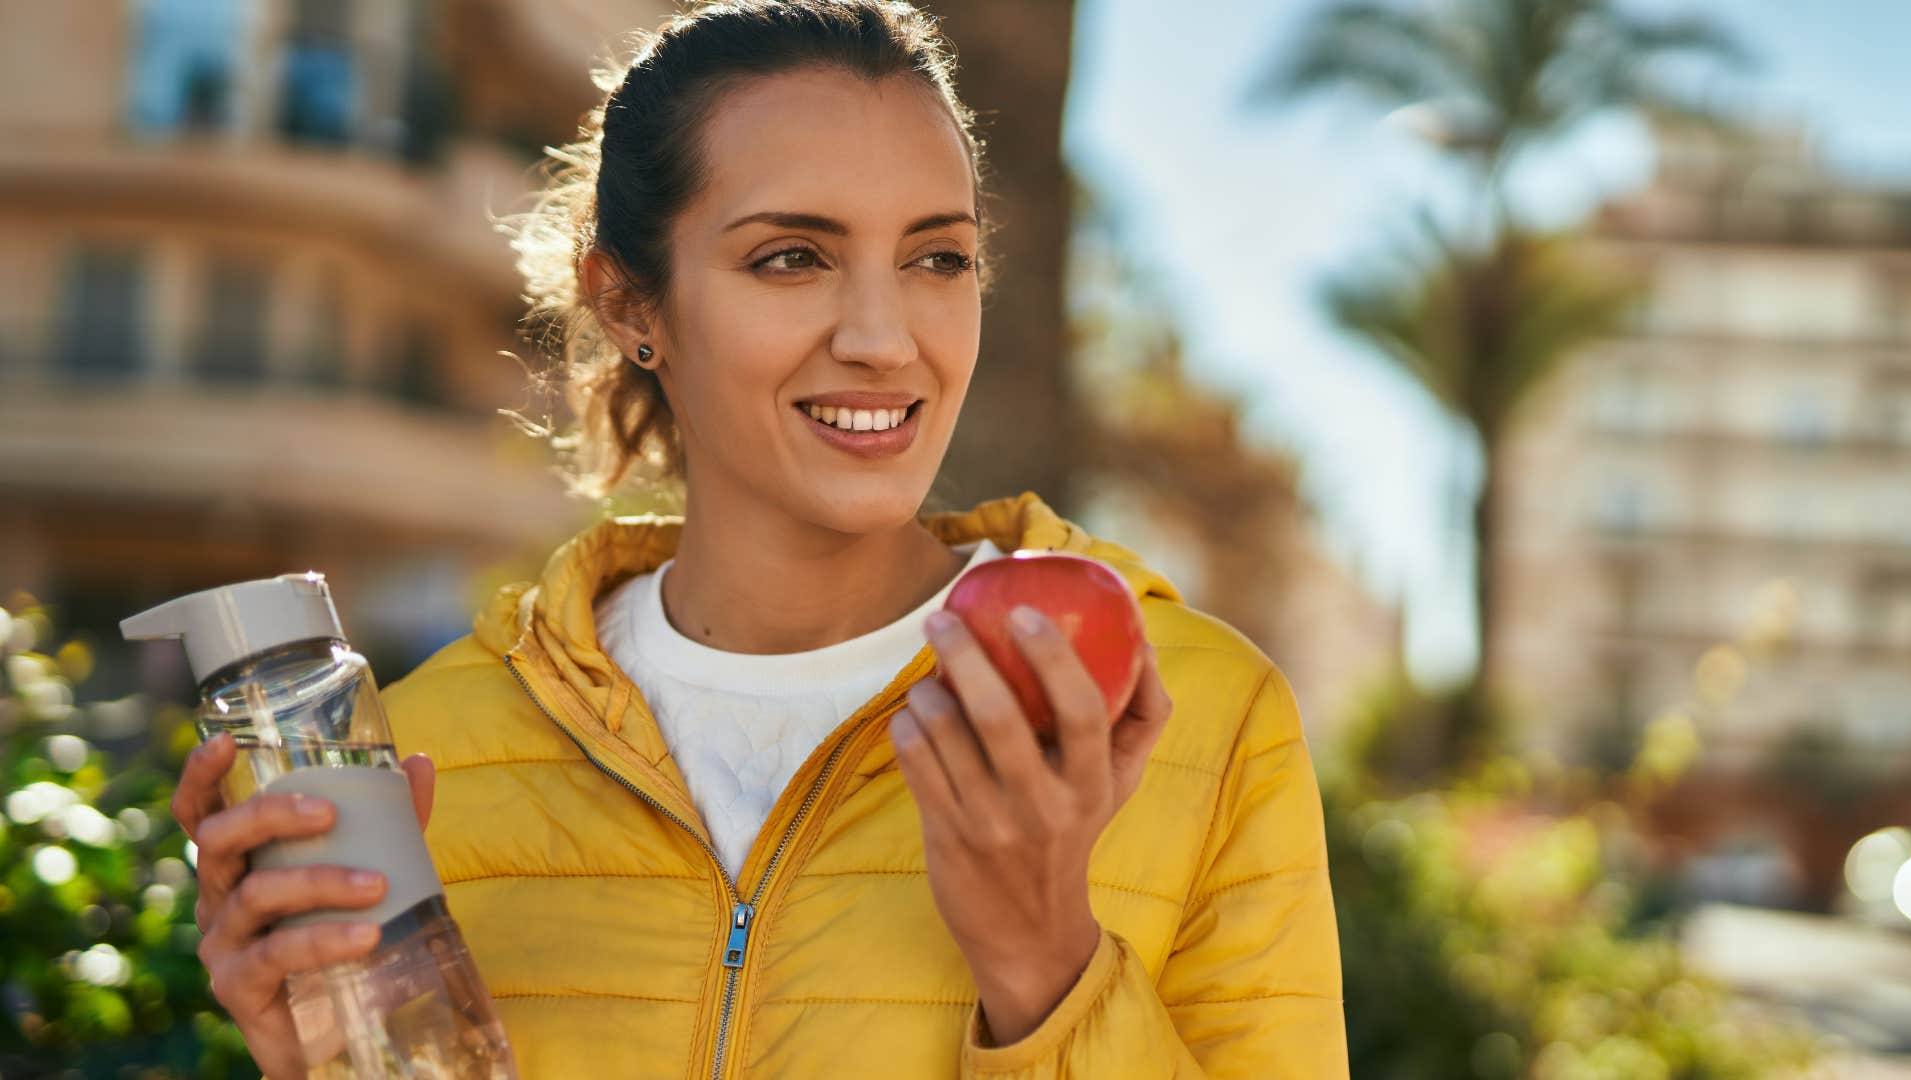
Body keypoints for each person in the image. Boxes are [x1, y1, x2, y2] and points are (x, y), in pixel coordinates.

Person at [168, 1, 1348, 1076]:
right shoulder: (427, 761)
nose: (887, 339)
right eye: (793, 258)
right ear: (631, 303)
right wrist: (324, 1058)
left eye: (937, 258)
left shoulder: (1200, 715)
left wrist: (1048, 969)